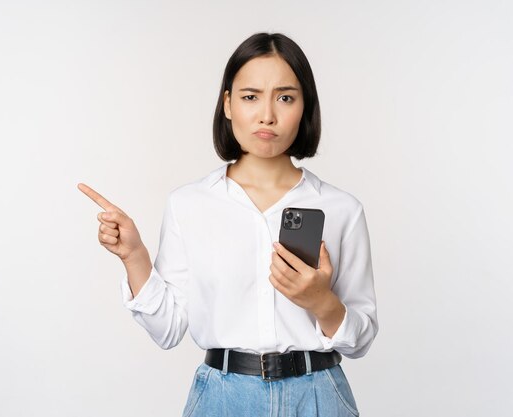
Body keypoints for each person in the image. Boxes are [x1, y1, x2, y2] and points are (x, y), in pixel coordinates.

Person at [78, 32, 378, 417]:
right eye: (250, 96)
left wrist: (321, 302)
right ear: (228, 104)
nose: (267, 114)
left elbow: (361, 339)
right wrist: (134, 256)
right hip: (222, 399)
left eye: (285, 97)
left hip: (318, 395)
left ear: (305, 107)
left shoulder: (341, 209)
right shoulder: (190, 204)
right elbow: (168, 330)